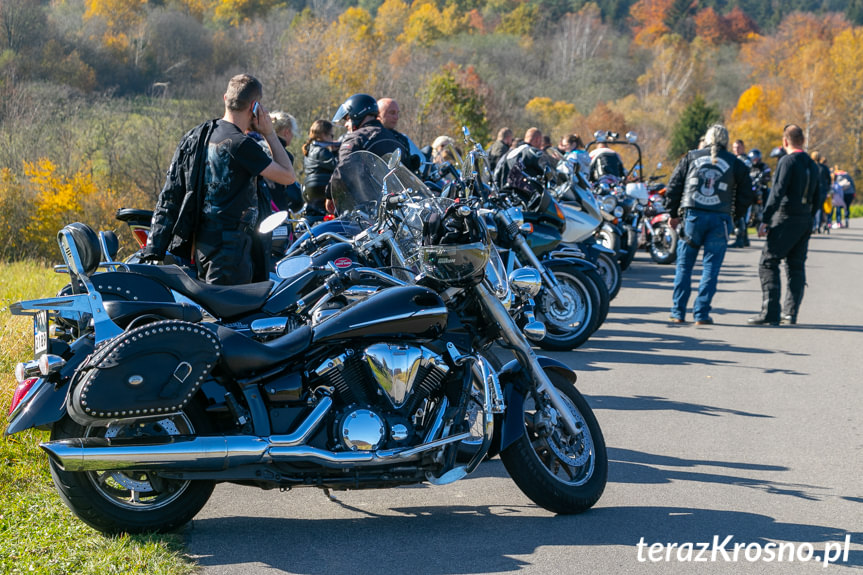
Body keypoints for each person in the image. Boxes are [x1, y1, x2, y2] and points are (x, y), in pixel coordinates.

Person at [143, 73, 297, 285]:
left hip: (202, 246)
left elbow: (170, 193)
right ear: (254, 107)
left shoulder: (197, 135)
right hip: (231, 252)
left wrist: (155, 245)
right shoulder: (241, 144)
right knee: (235, 316)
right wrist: (269, 133)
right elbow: (288, 176)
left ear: (226, 99)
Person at [666, 124, 753, 325]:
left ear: (707, 138)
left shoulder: (691, 156)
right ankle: (701, 314)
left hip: (692, 217)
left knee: (684, 266)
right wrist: (735, 215)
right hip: (719, 218)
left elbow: (674, 186)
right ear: (725, 140)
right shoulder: (735, 163)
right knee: (710, 268)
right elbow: (747, 194)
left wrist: (672, 212)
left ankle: (678, 312)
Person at [748, 124, 819, 326]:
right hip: (804, 219)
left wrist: (766, 219)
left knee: (768, 262)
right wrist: (809, 217)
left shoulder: (787, 161)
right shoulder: (812, 164)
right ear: (803, 141)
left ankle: (770, 311)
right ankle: (790, 313)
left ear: (785, 141)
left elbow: (777, 192)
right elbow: (818, 194)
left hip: (786, 217)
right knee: (796, 267)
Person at [493, 127, 553, 204]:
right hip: (527, 200)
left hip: (508, 199)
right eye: (541, 141)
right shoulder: (533, 152)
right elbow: (547, 169)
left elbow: (497, 173)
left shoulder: (509, 153)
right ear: (537, 140)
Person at [302, 119, 338, 216]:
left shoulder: (310, 149)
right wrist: (336, 151)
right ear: (323, 135)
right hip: (321, 189)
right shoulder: (320, 151)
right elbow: (337, 166)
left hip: (311, 191)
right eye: (332, 136)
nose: (333, 139)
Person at [377, 97, 422, 171]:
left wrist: (411, 165)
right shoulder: (370, 137)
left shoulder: (401, 139)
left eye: (397, 113)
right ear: (378, 114)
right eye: (392, 113)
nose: (396, 117)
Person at [729, 140, 753, 247]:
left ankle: (740, 240)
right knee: (741, 215)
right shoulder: (735, 159)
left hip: (743, 191)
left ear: (743, 147)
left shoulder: (745, 160)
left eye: (738, 147)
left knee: (740, 216)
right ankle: (745, 239)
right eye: (734, 147)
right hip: (738, 190)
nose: (736, 149)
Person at [747, 148, 771, 234]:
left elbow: (767, 175)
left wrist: (763, 179)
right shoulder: (749, 167)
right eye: (753, 158)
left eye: (756, 158)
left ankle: (767, 214)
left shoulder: (763, 166)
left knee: (768, 193)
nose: (755, 160)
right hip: (751, 190)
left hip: (761, 189)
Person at [810, 151, 831, 233]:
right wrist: (827, 189)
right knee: (820, 208)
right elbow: (829, 179)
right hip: (822, 190)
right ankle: (818, 225)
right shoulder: (824, 168)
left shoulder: (811, 166)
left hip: (812, 190)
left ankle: (814, 225)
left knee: (813, 207)